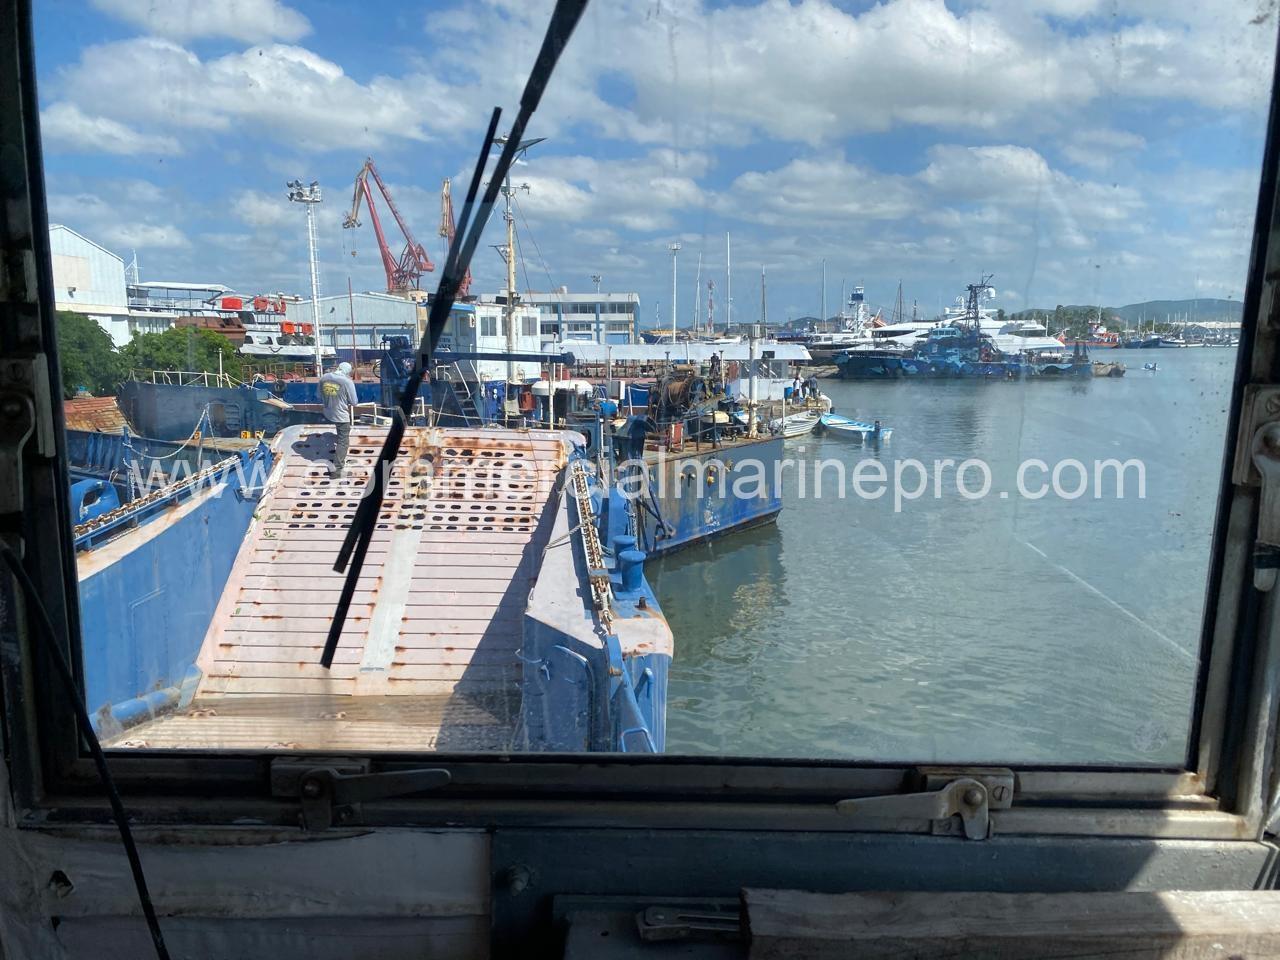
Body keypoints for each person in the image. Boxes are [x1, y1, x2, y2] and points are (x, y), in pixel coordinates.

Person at [319, 361, 359, 478]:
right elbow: (354, 402)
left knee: (339, 432)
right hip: (341, 415)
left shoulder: (324, 378)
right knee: (343, 441)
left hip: (327, 412)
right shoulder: (347, 381)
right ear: (347, 371)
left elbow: (319, 395)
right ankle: (337, 470)